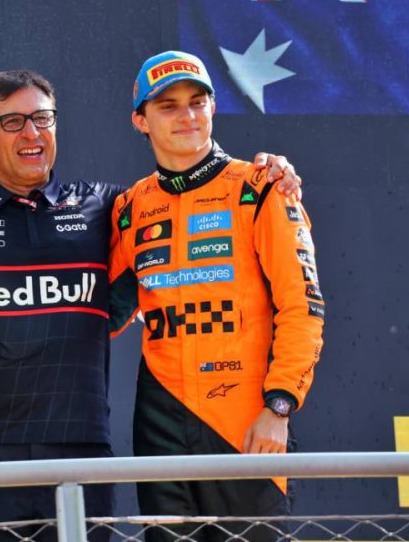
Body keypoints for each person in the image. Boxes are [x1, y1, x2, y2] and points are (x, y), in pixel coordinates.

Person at [0, 69, 302, 540]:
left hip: (80, 448)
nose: (32, 133)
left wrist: (275, 171)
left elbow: (294, 299)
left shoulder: (107, 206)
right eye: (12, 122)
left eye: (42, 118)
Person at [108, 51, 325, 542]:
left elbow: (303, 306)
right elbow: (99, 312)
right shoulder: (131, 207)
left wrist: (279, 407)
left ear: (212, 107)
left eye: (197, 101)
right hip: (160, 425)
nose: (187, 115)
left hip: (245, 421)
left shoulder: (262, 188)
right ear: (140, 120)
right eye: (168, 106)